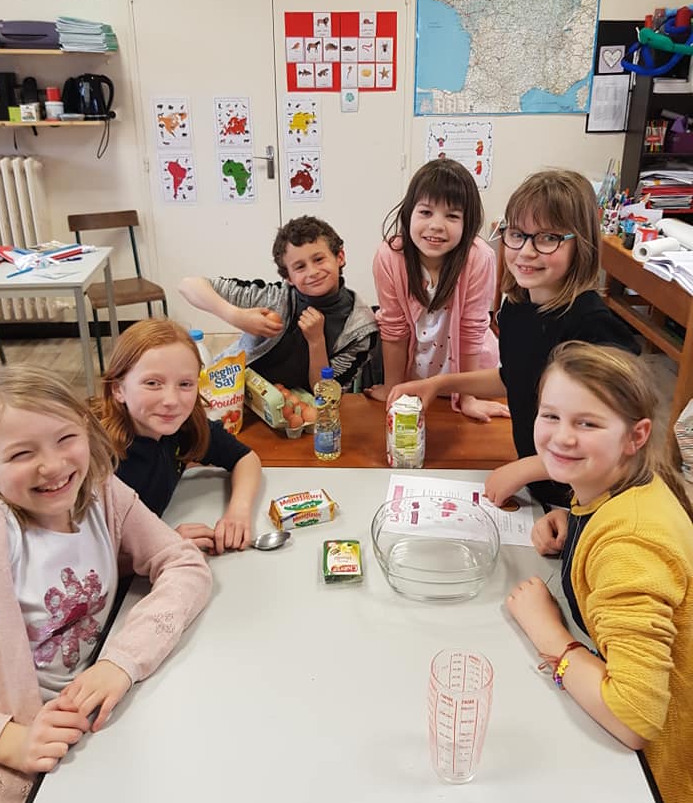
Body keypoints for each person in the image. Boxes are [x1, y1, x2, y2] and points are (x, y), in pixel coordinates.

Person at [0, 366, 212, 803]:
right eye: (21, 453)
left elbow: (182, 564)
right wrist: (4, 739)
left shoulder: (101, 489)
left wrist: (120, 662)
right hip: (17, 749)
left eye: (65, 438)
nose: (53, 466)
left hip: (104, 722)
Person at [506, 342, 693, 803]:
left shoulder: (631, 542)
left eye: (587, 423)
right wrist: (574, 522)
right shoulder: (624, 485)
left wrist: (548, 633)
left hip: (661, 788)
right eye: (551, 415)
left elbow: (633, 719)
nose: (562, 437)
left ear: (636, 436)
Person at [387, 169, 640, 511]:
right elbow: (516, 377)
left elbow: (613, 436)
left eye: (548, 238)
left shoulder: (593, 327)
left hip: (587, 497)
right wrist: (439, 383)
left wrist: (530, 467)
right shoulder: (518, 306)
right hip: (542, 485)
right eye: (517, 234)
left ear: (580, 243)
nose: (526, 251)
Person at [95, 319, 262, 553]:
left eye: (185, 384)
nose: (171, 401)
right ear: (118, 389)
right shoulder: (99, 462)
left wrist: (238, 512)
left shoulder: (184, 427)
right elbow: (88, 559)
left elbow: (244, 458)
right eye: (153, 383)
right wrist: (162, 543)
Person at [366, 158, 505, 421]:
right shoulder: (389, 256)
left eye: (452, 216)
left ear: (468, 223)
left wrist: (467, 397)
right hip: (416, 375)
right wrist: (393, 388)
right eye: (426, 212)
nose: (436, 225)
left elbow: (472, 330)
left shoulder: (479, 257)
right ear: (409, 213)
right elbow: (394, 328)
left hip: (471, 373)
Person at [178, 215, 378, 392]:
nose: (312, 272)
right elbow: (188, 285)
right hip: (233, 395)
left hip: (301, 408)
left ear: (340, 257)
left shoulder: (361, 328)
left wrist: (316, 341)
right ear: (288, 277)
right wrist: (237, 316)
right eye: (300, 267)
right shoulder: (273, 298)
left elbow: (324, 393)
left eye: (319, 259)